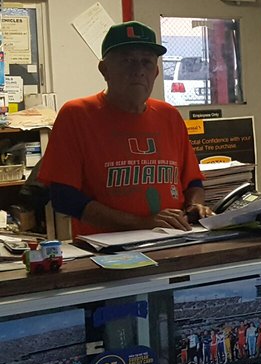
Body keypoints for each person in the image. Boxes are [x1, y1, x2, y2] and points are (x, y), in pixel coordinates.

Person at [39, 21, 213, 236]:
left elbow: (192, 181)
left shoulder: (169, 115)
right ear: (104, 70)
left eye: (146, 62)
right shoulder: (76, 114)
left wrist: (195, 205)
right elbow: (64, 197)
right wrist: (141, 223)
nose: (138, 71)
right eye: (127, 61)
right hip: (107, 247)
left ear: (156, 72)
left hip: (174, 239)